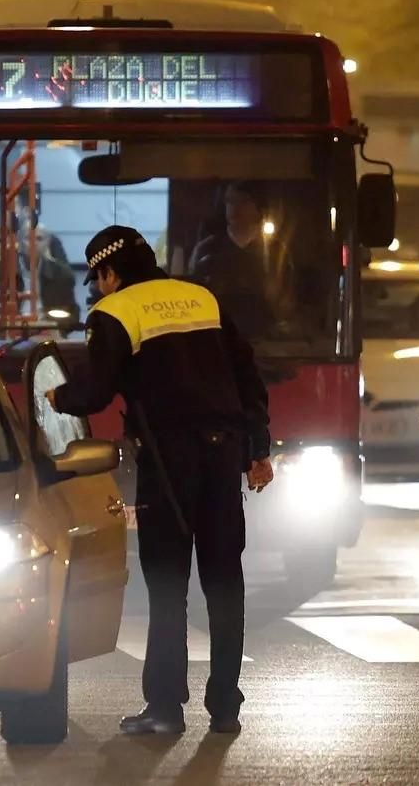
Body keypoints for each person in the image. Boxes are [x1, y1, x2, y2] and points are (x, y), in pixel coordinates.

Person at [45, 225, 271, 737]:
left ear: (109, 272)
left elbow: (97, 392)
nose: (98, 288)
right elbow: (248, 378)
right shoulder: (202, 297)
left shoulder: (114, 313)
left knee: (168, 584)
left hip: (168, 461)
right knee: (223, 580)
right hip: (223, 453)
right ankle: (226, 707)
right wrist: (258, 450)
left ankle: (166, 708)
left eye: (97, 278)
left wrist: (59, 398)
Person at [189, 182, 292, 338]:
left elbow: (286, 302)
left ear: (258, 206)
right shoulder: (207, 249)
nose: (234, 208)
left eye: (243, 201)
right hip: (218, 339)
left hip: (266, 344)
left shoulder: (276, 251)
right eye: (229, 201)